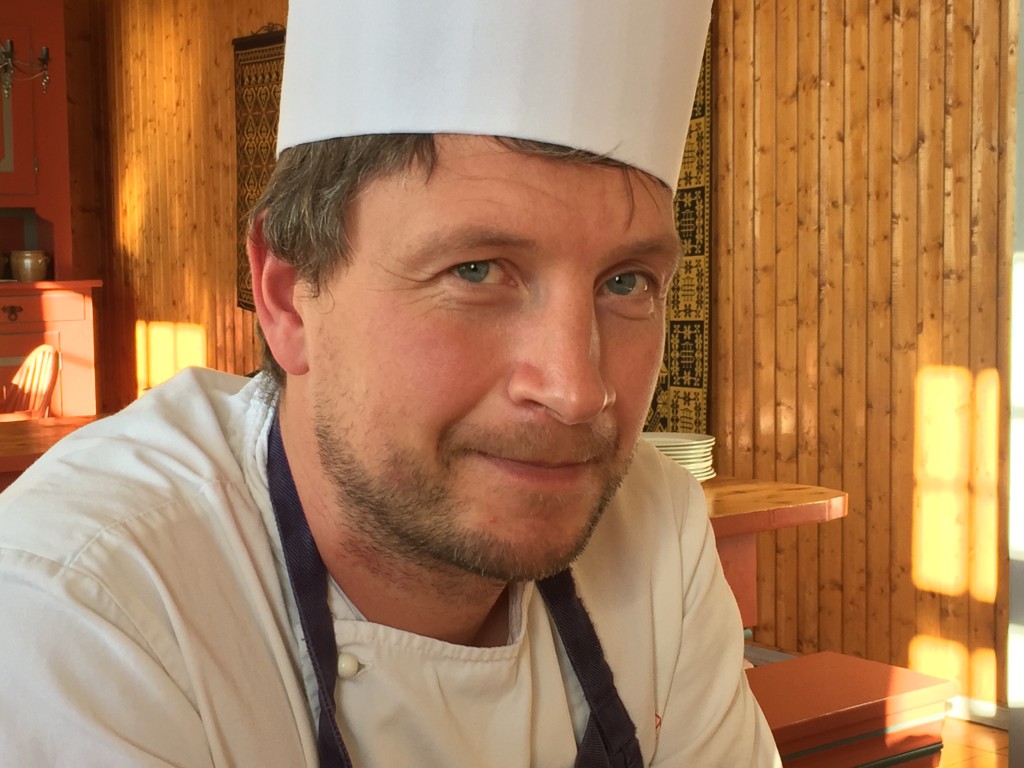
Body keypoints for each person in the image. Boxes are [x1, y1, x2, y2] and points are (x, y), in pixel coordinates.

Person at [0, 0, 782, 765]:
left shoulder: (658, 527)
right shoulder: (80, 609)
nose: (576, 392)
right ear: (288, 295)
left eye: (627, 282)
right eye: (476, 271)